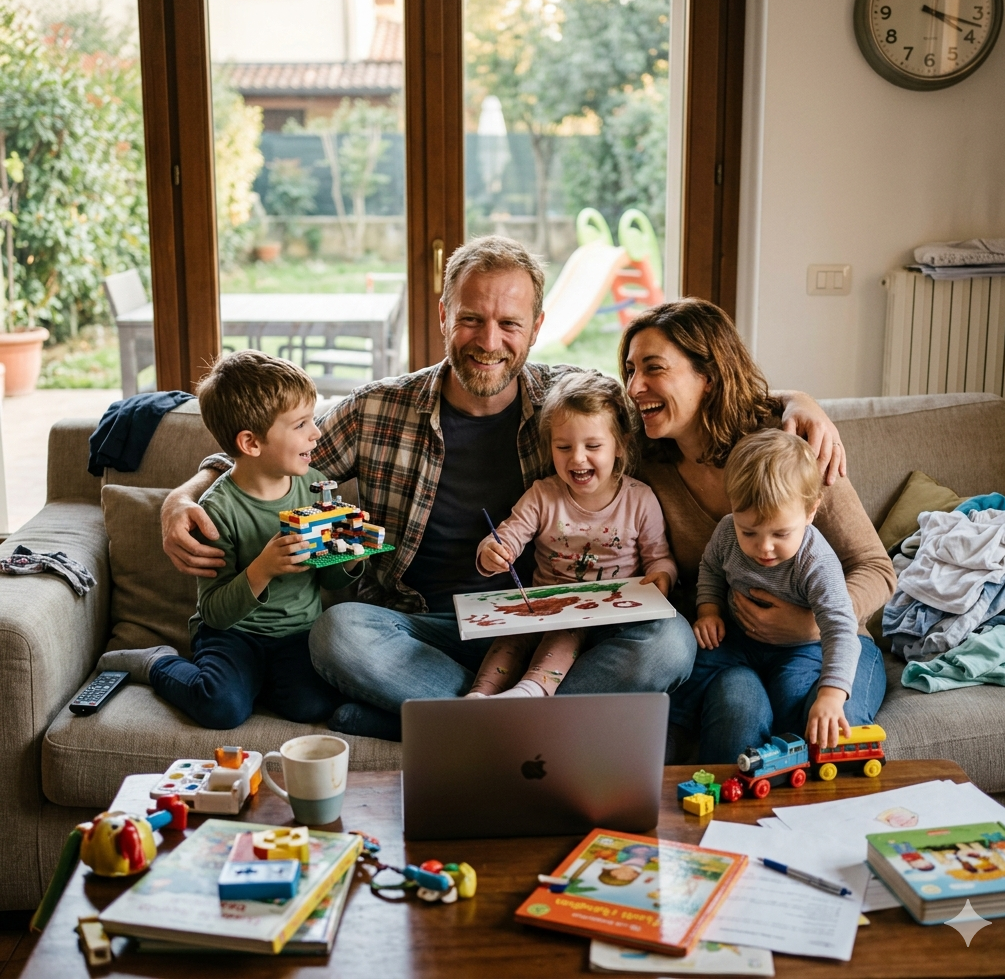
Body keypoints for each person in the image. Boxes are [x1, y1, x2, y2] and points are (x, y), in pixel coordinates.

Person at [160, 236, 844, 741]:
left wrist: (791, 399)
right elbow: (269, 456)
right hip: (426, 626)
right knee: (336, 633)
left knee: (670, 644)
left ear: (536, 329)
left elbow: (681, 401)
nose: (489, 340)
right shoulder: (378, 408)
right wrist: (183, 493)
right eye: (471, 319)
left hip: (545, 622)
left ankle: (462, 721)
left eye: (509, 323)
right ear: (443, 314)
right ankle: (509, 717)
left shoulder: (574, 404)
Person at [621, 299, 896, 763]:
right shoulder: (648, 461)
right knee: (738, 715)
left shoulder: (789, 448)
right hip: (735, 648)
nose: (634, 387)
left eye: (653, 369)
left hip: (828, 641)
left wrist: (807, 623)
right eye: (629, 370)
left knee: (821, 741)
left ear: (707, 376)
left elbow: (876, 568)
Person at [98, 351, 361, 729]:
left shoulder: (314, 487)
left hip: (297, 636)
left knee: (313, 706)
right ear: (251, 443)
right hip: (233, 635)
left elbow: (330, 579)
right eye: (301, 424)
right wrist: (263, 569)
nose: (316, 433)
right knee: (220, 707)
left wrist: (350, 555)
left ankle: (257, 683)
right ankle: (156, 661)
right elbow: (214, 612)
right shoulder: (216, 510)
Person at [468, 371, 680, 698]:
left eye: (593, 445)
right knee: (512, 636)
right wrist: (492, 552)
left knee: (565, 632)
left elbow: (659, 558)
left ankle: (531, 693)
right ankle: (479, 698)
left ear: (621, 444)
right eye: (563, 446)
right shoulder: (543, 495)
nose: (577, 458)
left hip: (612, 620)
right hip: (546, 607)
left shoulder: (640, 499)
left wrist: (662, 577)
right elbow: (507, 536)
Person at [692, 429, 862, 750]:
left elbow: (841, 630)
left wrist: (830, 695)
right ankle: (673, 732)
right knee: (697, 666)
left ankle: (786, 752)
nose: (764, 547)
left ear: (811, 512)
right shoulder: (727, 532)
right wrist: (708, 610)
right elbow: (711, 569)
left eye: (781, 534)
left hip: (798, 650)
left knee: (790, 692)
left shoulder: (816, 561)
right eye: (750, 532)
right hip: (739, 641)